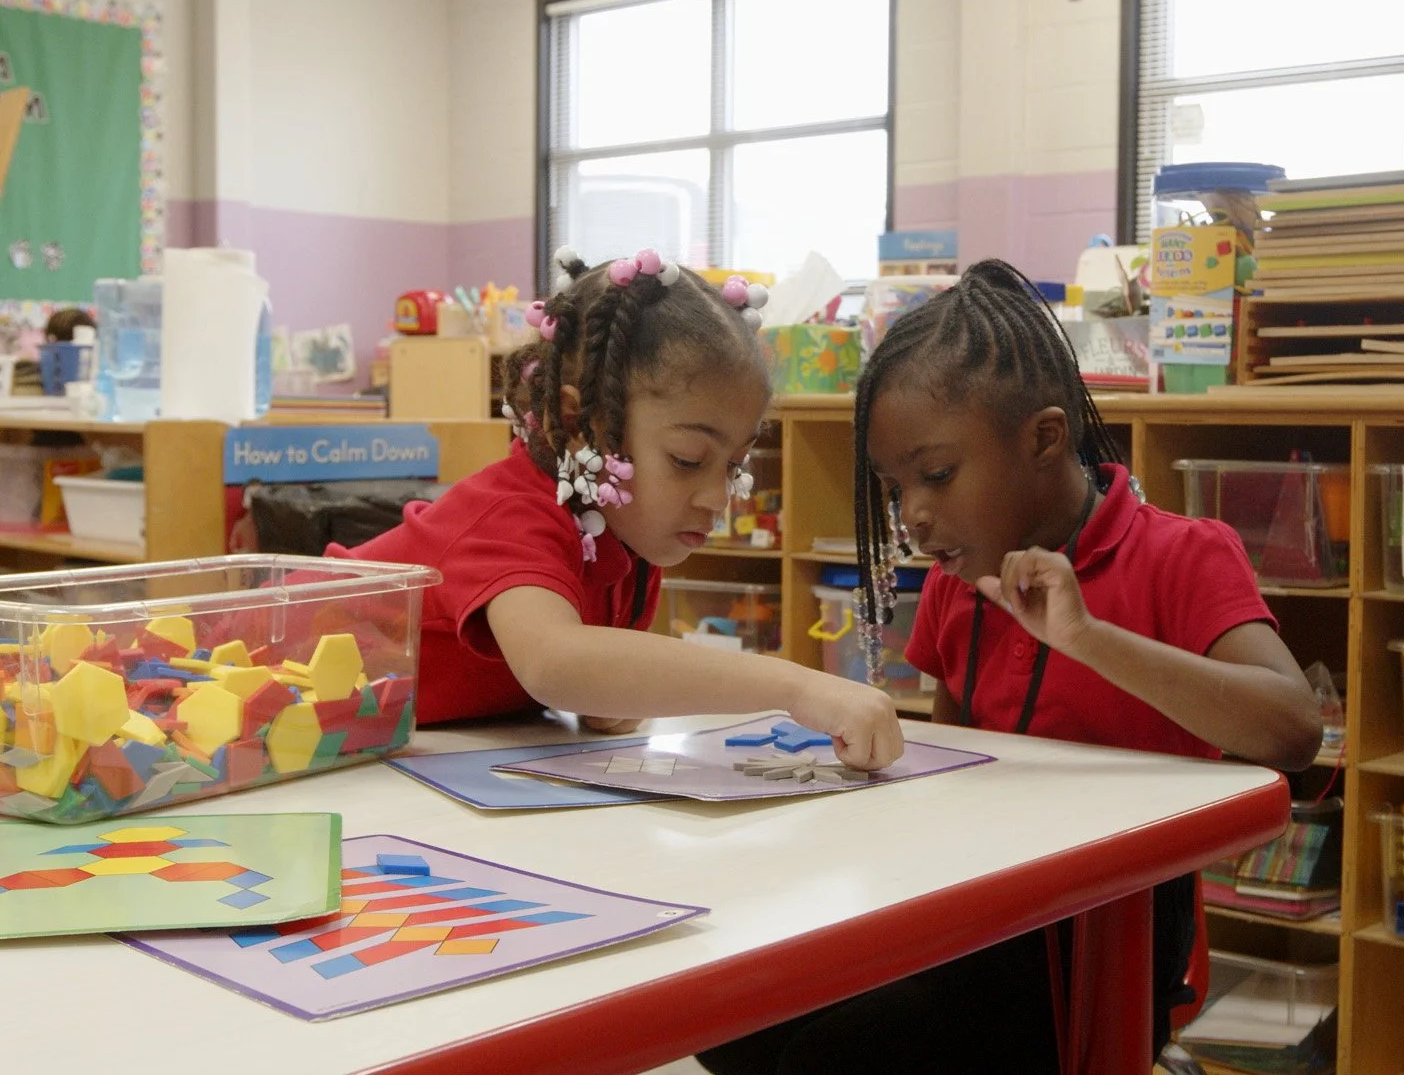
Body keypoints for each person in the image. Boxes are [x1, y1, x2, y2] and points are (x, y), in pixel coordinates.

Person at [698, 259, 1320, 1074]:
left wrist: (1088, 636)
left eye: (937, 476)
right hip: (983, 917)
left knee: (833, 1058)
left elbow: (1292, 728)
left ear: (1045, 439)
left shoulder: (1183, 555)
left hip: (1108, 943)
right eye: (895, 488)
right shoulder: (962, 581)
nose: (914, 516)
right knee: (732, 1020)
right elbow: (956, 779)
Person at [327, 247, 903, 771]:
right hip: (288, 684)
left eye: (734, 465)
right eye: (687, 459)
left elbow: (579, 679)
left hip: (368, 750)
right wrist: (794, 687)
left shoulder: (626, 535)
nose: (717, 497)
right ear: (579, 424)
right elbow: (555, 663)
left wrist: (608, 695)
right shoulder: (509, 514)